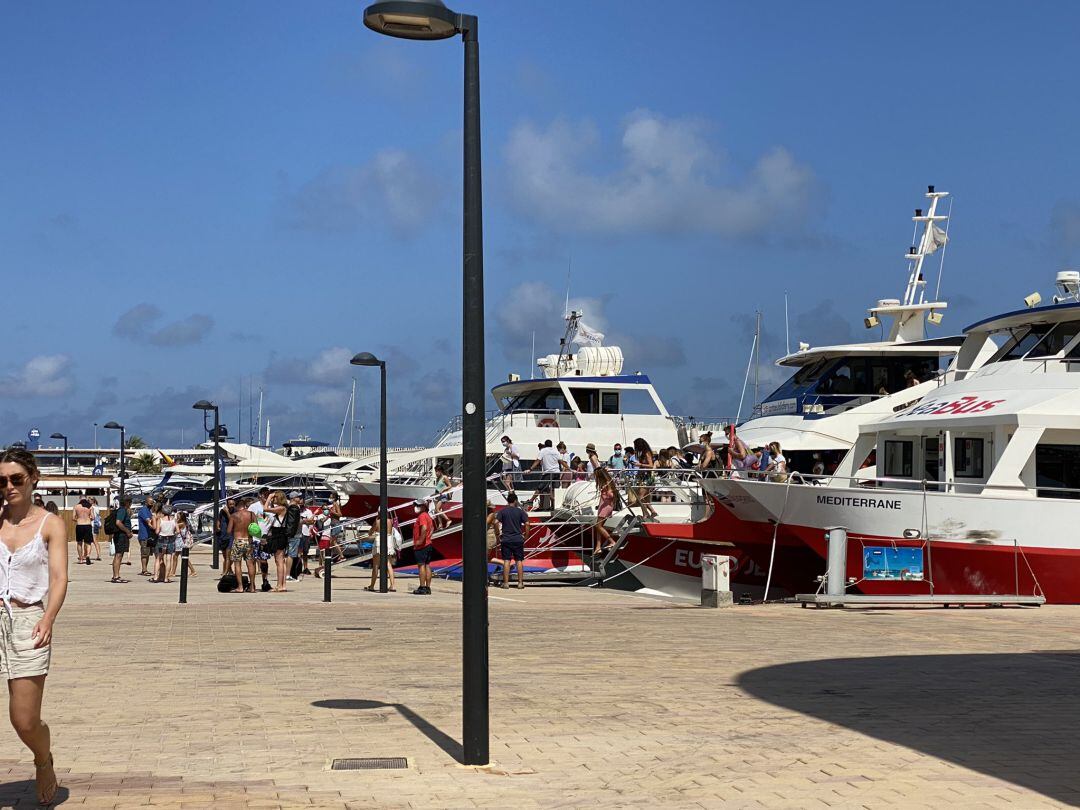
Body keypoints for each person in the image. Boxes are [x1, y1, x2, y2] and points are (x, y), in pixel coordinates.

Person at [0, 447, 68, 805]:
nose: (9, 487)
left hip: (28, 622)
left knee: (24, 720)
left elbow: (58, 578)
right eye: (1, 481)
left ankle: (43, 759)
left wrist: (48, 617)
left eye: (16, 479)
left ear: (33, 479)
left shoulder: (50, 524)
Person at [494, 493, 529, 589]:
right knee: (519, 561)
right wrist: (526, 536)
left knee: (506, 561)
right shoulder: (520, 512)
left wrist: (497, 534)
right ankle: (520, 583)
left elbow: (496, 522)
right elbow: (527, 523)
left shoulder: (502, 511)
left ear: (508, 501)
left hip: (506, 539)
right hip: (518, 539)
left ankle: (506, 583)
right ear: (515, 501)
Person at [226, 498, 258, 593]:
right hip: (249, 540)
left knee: (237, 564)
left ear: (237, 506)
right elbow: (256, 528)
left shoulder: (234, 515)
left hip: (238, 541)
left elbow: (228, 531)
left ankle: (240, 587)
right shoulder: (252, 514)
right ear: (244, 505)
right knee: (250, 564)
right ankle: (252, 586)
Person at [364, 514, 400, 592]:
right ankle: (392, 585)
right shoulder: (390, 521)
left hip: (379, 543)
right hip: (388, 542)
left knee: (376, 565)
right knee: (388, 564)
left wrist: (374, 523)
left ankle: (372, 586)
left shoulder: (377, 521)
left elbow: (370, 532)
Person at [264, 492, 289, 592]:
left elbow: (265, 509)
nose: (273, 499)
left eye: (274, 498)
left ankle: (279, 585)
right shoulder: (283, 508)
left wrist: (269, 497)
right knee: (281, 561)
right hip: (281, 534)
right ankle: (283, 585)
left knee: (279, 561)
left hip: (278, 535)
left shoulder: (281, 508)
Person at [529, 440, 563, 511]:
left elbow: (537, 461)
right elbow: (561, 462)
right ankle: (552, 506)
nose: (540, 448)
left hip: (548, 473)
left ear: (545, 445)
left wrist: (530, 469)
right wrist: (570, 469)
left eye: (541, 447)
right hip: (556, 473)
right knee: (552, 490)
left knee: (541, 488)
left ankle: (532, 501)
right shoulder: (555, 451)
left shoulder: (543, 451)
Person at [633, 438, 659, 520]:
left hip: (647, 478)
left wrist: (640, 464)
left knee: (640, 497)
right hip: (644, 477)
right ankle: (652, 512)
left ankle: (646, 514)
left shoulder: (647, 453)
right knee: (644, 498)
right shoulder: (643, 453)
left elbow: (651, 465)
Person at [412, 500, 434, 595]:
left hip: (422, 546)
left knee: (421, 565)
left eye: (418, 505)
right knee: (427, 565)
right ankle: (428, 587)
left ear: (424, 507)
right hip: (428, 544)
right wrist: (428, 537)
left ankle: (422, 587)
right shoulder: (428, 516)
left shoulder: (422, 516)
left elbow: (424, 528)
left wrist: (420, 541)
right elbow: (432, 528)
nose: (416, 507)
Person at [593, 466, 617, 554]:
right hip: (603, 506)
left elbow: (611, 495)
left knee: (598, 526)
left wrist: (606, 490)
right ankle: (598, 546)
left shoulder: (607, 482)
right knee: (599, 527)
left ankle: (612, 542)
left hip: (606, 507)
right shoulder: (606, 482)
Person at [110, 496, 133, 583]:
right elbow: (118, 522)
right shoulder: (122, 510)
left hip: (121, 535)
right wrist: (127, 531)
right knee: (118, 555)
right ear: (127, 503)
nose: (130, 504)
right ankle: (116, 576)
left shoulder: (122, 510)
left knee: (119, 555)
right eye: (130, 502)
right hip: (121, 535)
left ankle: (116, 575)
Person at [284, 491, 304, 583]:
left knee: (290, 554)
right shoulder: (294, 508)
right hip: (294, 534)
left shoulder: (289, 507)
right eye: (298, 497)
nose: (300, 498)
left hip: (292, 534)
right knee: (291, 555)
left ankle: (288, 574)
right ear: (293, 498)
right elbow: (294, 522)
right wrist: (305, 521)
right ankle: (288, 575)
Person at [136, 497, 155, 577]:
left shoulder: (149, 510)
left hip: (149, 536)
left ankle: (145, 569)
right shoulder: (143, 510)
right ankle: (144, 570)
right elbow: (148, 521)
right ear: (146, 503)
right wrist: (154, 525)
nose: (152, 504)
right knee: (144, 553)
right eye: (150, 503)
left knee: (147, 553)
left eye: (152, 503)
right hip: (144, 535)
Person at [73, 498, 94, 566]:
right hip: (88, 525)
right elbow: (93, 517)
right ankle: (87, 555)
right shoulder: (90, 507)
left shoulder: (76, 507)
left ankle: (81, 559)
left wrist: (78, 519)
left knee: (79, 543)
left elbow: (73, 518)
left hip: (79, 525)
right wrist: (88, 519)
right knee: (88, 542)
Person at [175, 511, 196, 578]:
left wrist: (174, 521)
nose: (177, 518)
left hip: (181, 543)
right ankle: (173, 572)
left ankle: (193, 571)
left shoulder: (182, 524)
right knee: (177, 557)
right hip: (180, 542)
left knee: (182, 557)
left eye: (178, 517)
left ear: (181, 517)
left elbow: (174, 526)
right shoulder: (184, 523)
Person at [432, 465, 453, 531]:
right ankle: (440, 525)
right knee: (438, 510)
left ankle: (448, 520)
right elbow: (438, 488)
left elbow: (450, 486)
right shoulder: (437, 479)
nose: (436, 473)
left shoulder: (444, 477)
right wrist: (433, 495)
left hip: (444, 495)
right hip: (438, 496)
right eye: (435, 471)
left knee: (437, 509)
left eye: (437, 471)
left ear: (440, 471)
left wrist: (443, 489)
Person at [88, 497, 103, 561]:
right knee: (95, 540)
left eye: (89, 500)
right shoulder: (97, 507)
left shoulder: (92, 507)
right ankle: (98, 555)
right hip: (96, 525)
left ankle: (87, 555)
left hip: (92, 524)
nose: (88, 501)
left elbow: (92, 517)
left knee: (91, 541)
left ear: (92, 501)